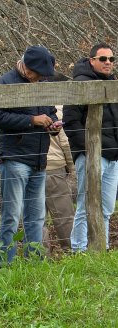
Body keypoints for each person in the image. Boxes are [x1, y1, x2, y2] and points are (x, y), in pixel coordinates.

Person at [0, 46, 60, 266]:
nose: (41, 77)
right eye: (39, 73)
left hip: (39, 158)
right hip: (14, 158)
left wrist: (53, 124)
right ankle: (5, 264)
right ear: (28, 69)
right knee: (11, 216)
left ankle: (34, 262)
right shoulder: (5, 83)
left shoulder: (42, 85)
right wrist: (32, 121)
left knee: (36, 217)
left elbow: (50, 112)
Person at [63, 42, 118, 252]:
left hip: (113, 156)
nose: (108, 63)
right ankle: (79, 249)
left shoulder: (112, 83)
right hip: (91, 155)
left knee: (106, 208)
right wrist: (88, 150)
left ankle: (100, 249)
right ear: (92, 60)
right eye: (103, 59)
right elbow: (70, 121)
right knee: (86, 206)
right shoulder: (79, 84)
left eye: (111, 59)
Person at [43, 104, 75, 251]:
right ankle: (71, 250)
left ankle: (40, 255)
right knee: (64, 215)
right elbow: (65, 142)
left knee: (37, 217)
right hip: (53, 168)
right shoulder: (58, 111)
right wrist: (72, 168)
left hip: (30, 167)